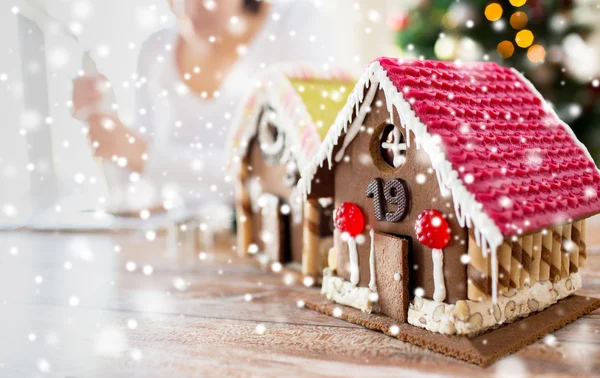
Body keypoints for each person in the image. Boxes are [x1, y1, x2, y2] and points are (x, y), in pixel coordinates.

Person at [72, 0, 343, 213]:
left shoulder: (297, 24)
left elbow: (289, 174)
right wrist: (103, 125)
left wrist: (146, 156)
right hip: (182, 251)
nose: (193, 7)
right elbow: (138, 193)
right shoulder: (155, 51)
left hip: (272, 246)